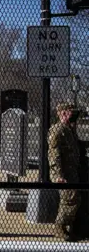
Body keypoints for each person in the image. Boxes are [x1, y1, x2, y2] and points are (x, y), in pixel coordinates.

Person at [49, 102, 82, 242]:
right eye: (70, 112)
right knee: (69, 199)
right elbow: (53, 155)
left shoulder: (69, 129)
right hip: (63, 172)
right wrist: (58, 175)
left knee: (75, 198)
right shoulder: (57, 130)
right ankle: (59, 227)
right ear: (63, 113)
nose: (73, 115)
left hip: (72, 170)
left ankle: (68, 228)